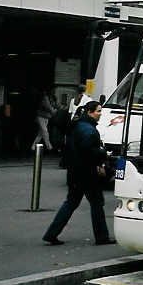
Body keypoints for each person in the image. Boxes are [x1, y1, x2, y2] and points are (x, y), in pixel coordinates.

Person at [42, 101, 116, 246]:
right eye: (98, 111)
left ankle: (51, 234)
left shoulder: (77, 125)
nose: (100, 114)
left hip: (74, 172)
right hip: (88, 173)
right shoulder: (90, 130)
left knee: (71, 203)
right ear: (89, 112)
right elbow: (89, 151)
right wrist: (103, 153)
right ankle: (101, 237)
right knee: (96, 203)